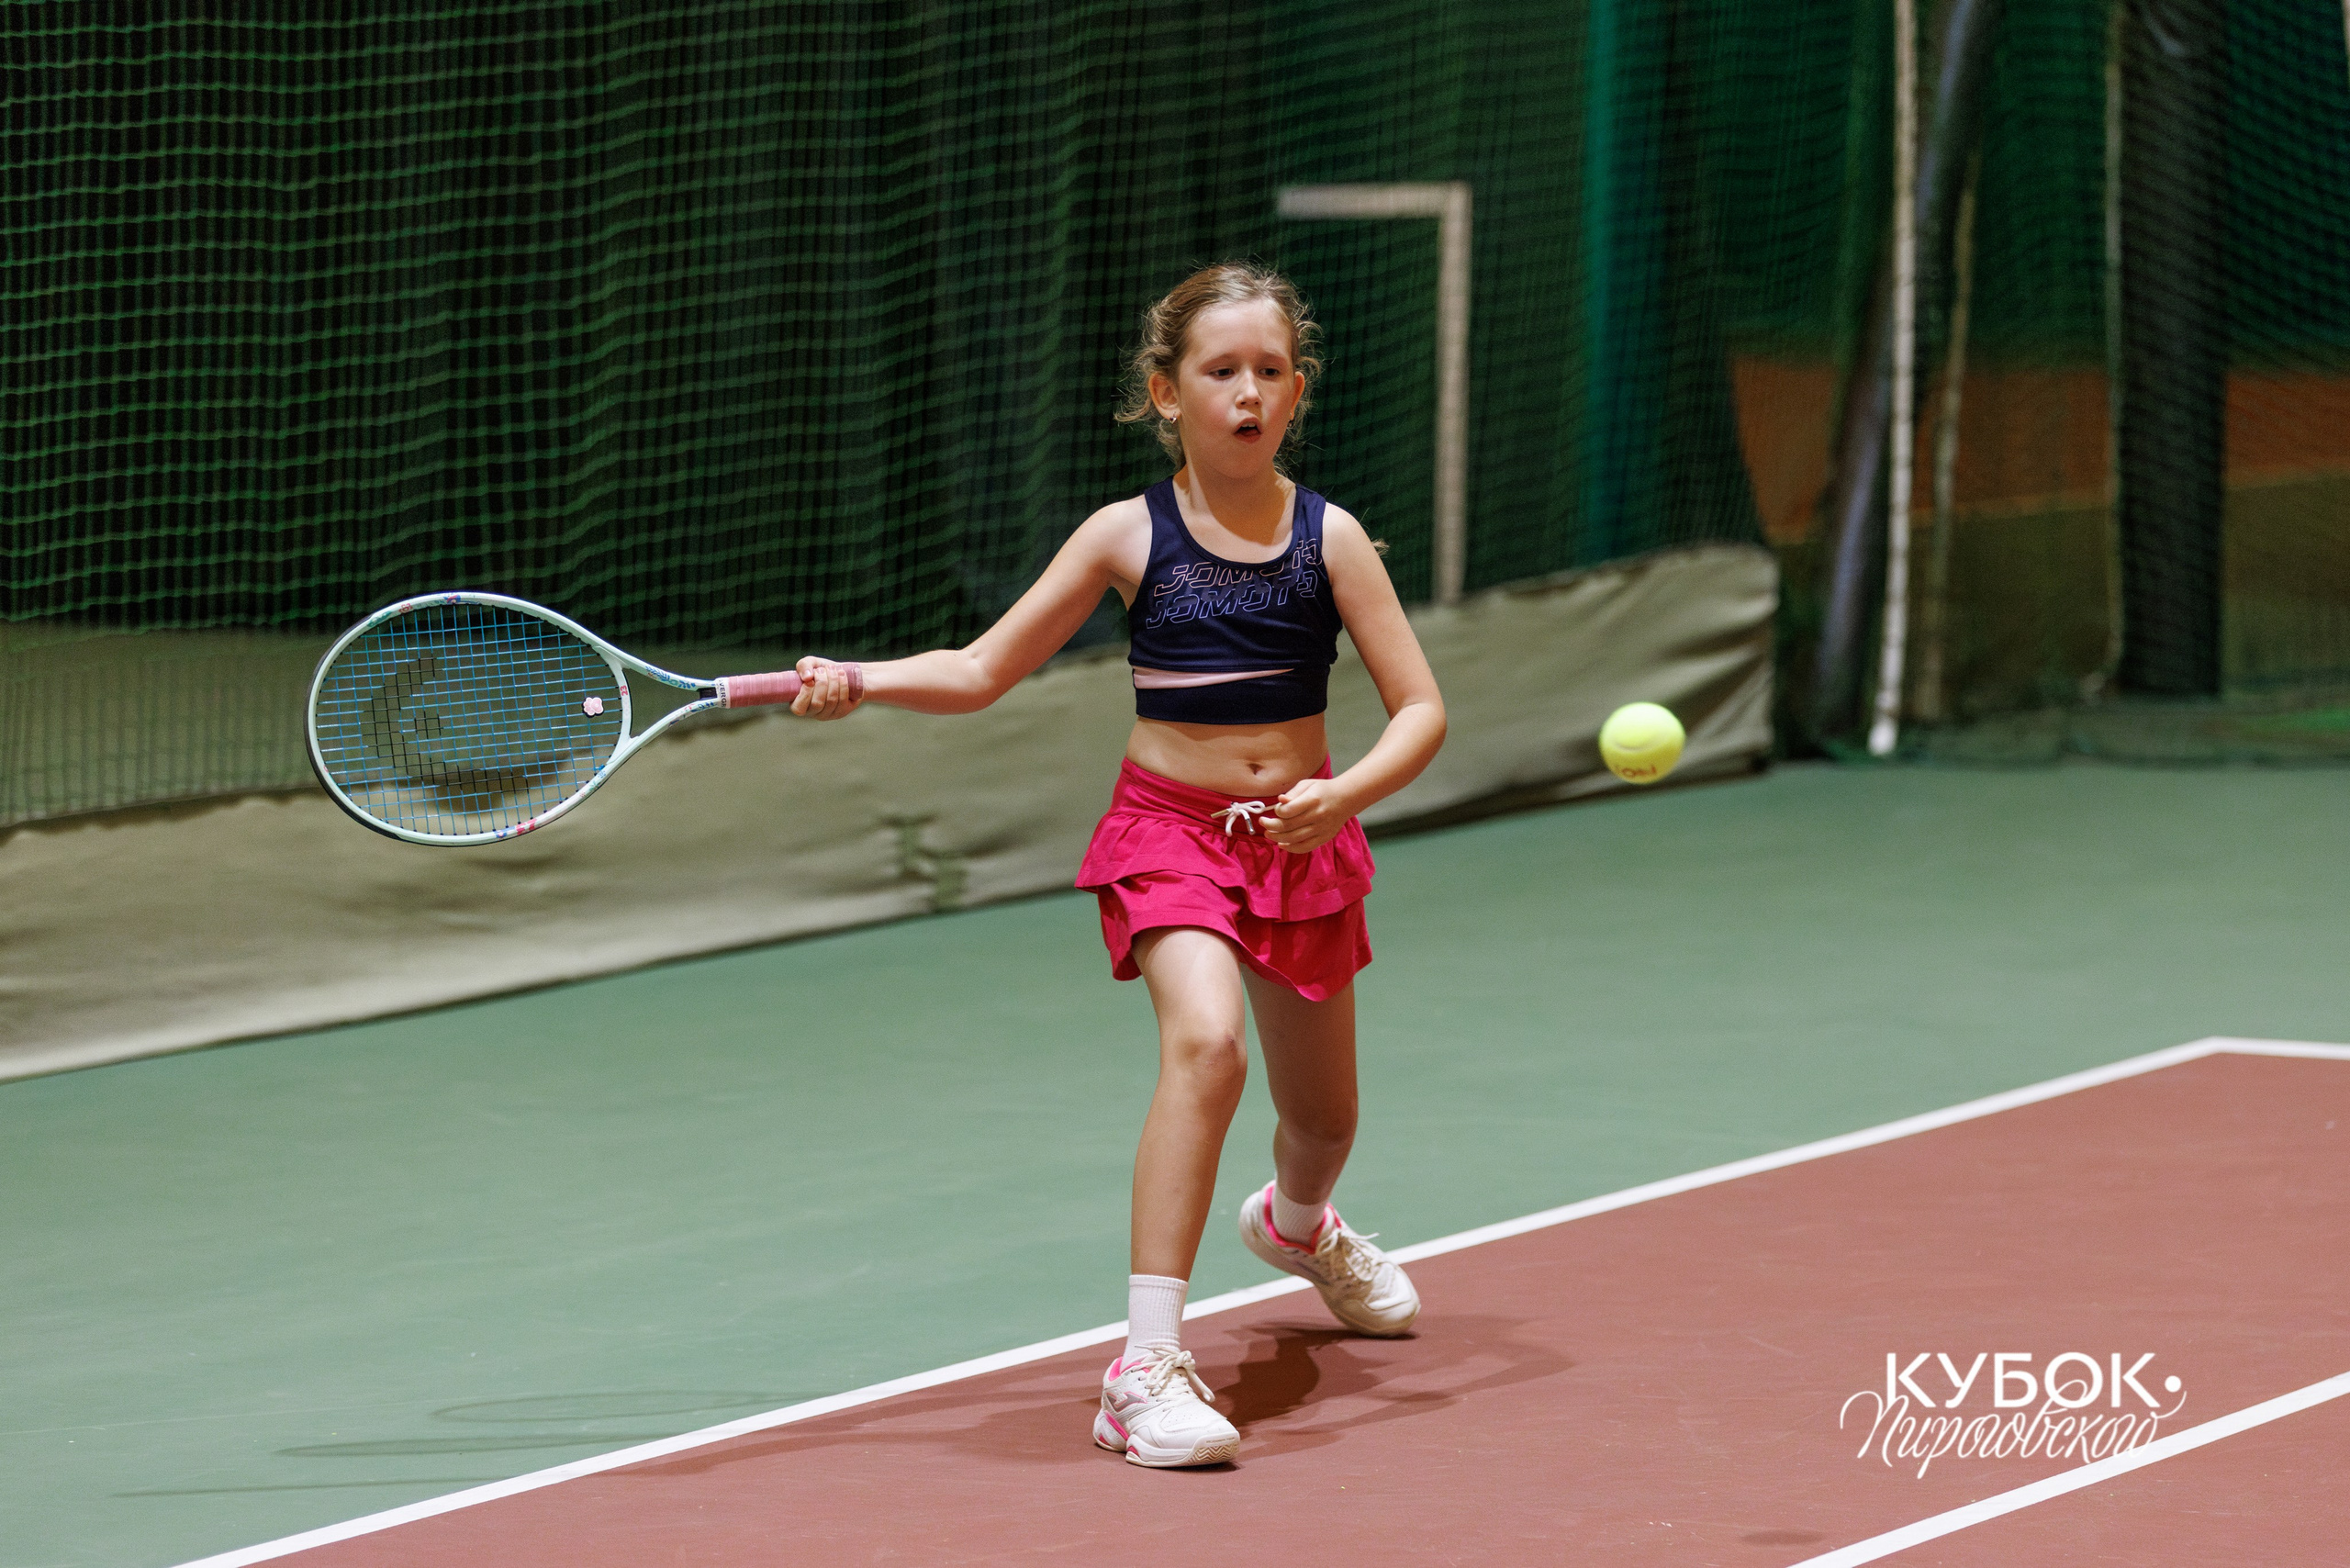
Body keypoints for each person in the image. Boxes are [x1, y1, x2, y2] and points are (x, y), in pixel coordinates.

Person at [786, 261, 1447, 1468]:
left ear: (1297, 391)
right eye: (1219, 372)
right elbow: (983, 670)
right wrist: (862, 681)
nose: (1247, 393)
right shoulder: (1126, 536)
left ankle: (1298, 1228)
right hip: (1169, 835)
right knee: (1205, 1043)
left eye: (1269, 372)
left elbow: (1420, 713)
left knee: (1324, 1120)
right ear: (1165, 391)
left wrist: (1340, 795)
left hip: (1300, 841)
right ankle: (1143, 1368)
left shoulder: (1330, 540)